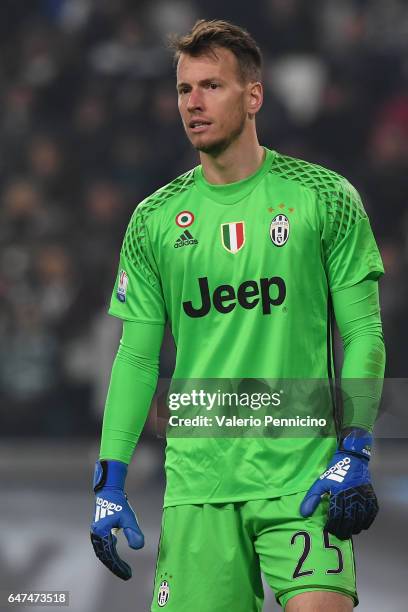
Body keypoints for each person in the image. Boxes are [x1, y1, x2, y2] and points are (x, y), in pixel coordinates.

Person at [90, 19, 385, 611]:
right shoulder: (154, 219)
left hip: (301, 478)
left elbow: (363, 333)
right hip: (199, 486)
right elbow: (136, 356)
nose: (193, 103)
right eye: (183, 90)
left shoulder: (322, 197)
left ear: (254, 95)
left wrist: (355, 445)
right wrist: (109, 480)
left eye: (211, 86)